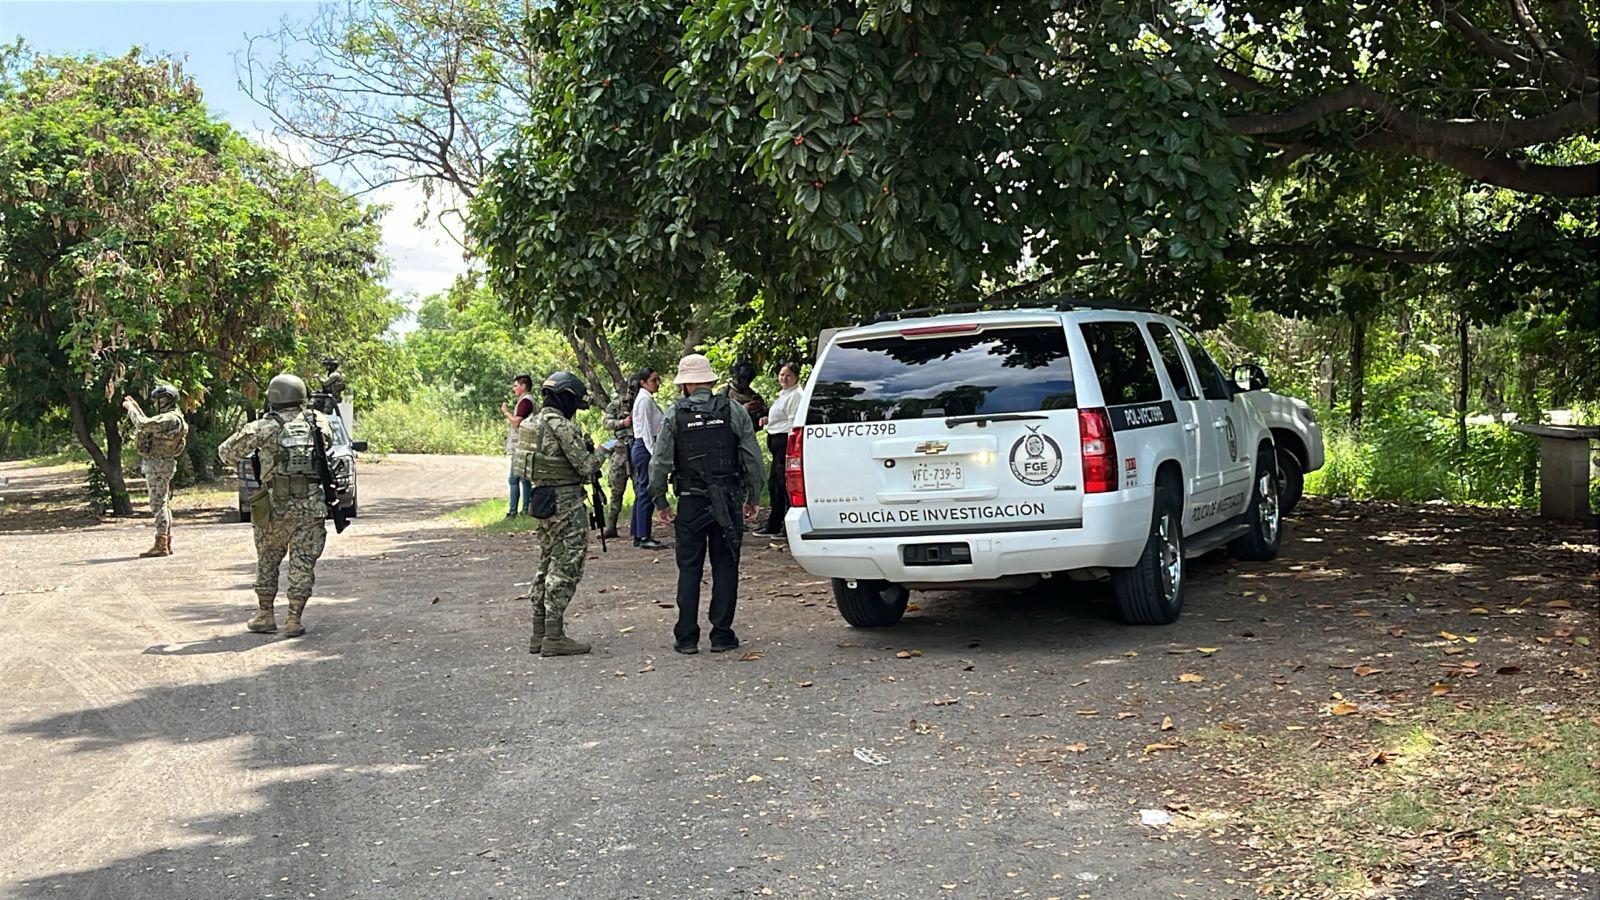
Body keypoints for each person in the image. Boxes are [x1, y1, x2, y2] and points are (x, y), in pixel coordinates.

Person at [649, 353, 765, 654]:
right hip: (727, 500)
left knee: (689, 569)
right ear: (709, 381)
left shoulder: (674, 415)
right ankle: (722, 634)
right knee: (725, 566)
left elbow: (659, 463)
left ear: (686, 384)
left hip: (690, 502)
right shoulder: (734, 411)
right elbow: (753, 459)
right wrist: (753, 497)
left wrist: (660, 500)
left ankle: (687, 637)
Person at [217, 374, 335, 637]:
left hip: (273, 508)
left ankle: (265, 615)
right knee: (303, 563)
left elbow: (225, 453)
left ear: (273, 398)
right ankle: (294, 619)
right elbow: (327, 446)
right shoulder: (319, 423)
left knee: (268, 561)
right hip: (310, 506)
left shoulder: (264, 427)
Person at [515, 371, 604, 656]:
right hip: (565, 501)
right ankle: (555, 635)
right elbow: (587, 466)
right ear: (566, 397)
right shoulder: (560, 426)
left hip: (542, 499)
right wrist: (605, 450)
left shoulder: (532, 423)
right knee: (566, 565)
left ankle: (538, 631)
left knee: (546, 562)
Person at [121, 383, 189, 557]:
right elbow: (149, 425)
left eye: (157, 401)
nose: (155, 404)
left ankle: (161, 543)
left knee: (158, 504)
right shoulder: (173, 418)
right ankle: (165, 541)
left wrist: (130, 409)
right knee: (163, 503)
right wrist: (136, 408)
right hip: (162, 464)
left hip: (158, 466)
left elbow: (143, 424)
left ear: (165, 400)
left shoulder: (170, 419)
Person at [753, 361, 803, 538]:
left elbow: (793, 423)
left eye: (788, 375)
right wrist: (767, 420)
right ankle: (773, 524)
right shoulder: (783, 394)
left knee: (783, 485)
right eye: (782, 374)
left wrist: (791, 448)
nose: (784, 378)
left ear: (796, 377)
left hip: (785, 443)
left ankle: (786, 526)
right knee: (774, 484)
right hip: (775, 440)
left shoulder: (796, 395)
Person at [629, 366, 667, 550]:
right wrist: (653, 453)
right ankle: (643, 535)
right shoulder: (644, 400)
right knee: (646, 490)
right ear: (643, 383)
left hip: (644, 446)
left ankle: (639, 533)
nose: (657, 383)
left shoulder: (646, 399)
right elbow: (645, 430)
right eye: (654, 380)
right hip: (645, 446)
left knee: (642, 489)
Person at [600, 377, 637, 539]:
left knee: (640, 489)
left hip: (636, 448)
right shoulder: (615, 405)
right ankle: (611, 526)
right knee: (616, 490)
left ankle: (639, 526)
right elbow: (607, 423)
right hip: (620, 450)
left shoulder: (643, 403)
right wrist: (623, 422)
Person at [500, 374, 537, 518]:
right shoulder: (525, 401)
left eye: (516, 386)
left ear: (523, 386)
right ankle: (526, 509)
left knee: (514, 479)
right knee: (524, 478)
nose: (513, 389)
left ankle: (513, 511)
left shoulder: (525, 402)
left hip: (521, 447)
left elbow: (516, 422)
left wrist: (506, 412)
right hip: (525, 446)